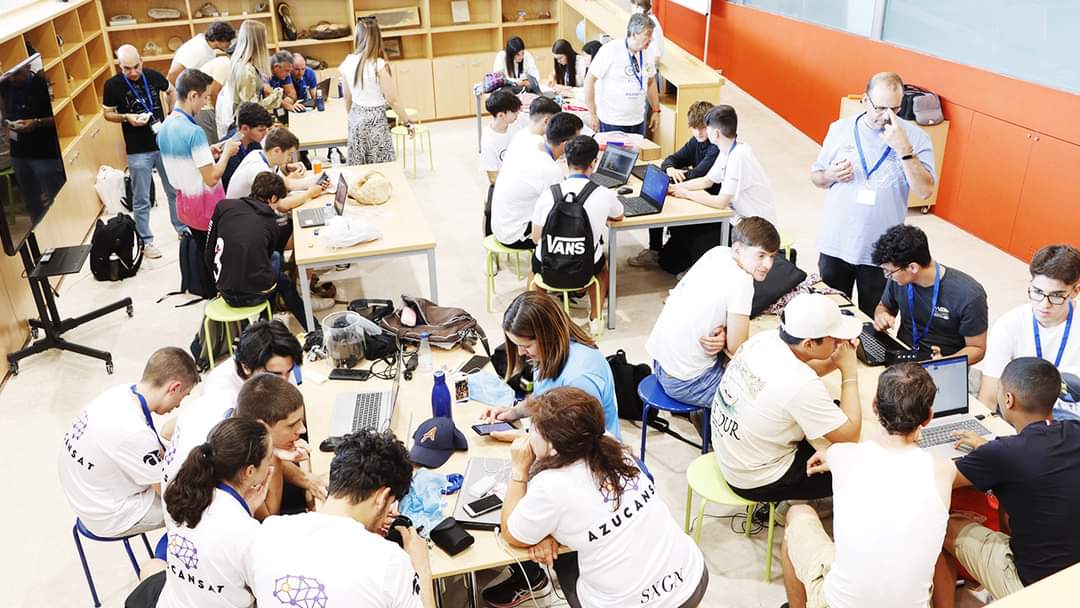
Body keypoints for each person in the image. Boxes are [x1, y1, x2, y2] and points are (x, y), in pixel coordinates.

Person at [500, 387, 708, 608]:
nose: (528, 433)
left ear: (553, 446)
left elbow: (512, 534)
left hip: (632, 603)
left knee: (565, 558)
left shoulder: (550, 485)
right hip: (691, 578)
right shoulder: (608, 444)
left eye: (532, 428)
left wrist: (519, 470)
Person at [781, 363, 955, 608]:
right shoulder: (944, 470)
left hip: (840, 603)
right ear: (928, 417)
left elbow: (837, 454)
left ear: (874, 407)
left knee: (797, 513)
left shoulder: (844, 456)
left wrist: (829, 457)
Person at [936, 357, 1080, 605]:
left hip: (1033, 588)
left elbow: (944, 477)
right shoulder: (1075, 431)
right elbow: (1032, 456)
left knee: (941, 524)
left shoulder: (1003, 454)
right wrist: (988, 450)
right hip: (1071, 576)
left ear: (1008, 399)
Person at [249, 431, 436, 608]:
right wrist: (422, 570)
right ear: (382, 498)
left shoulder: (268, 532)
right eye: (391, 505)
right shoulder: (389, 561)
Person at [712, 293, 862, 502]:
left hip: (732, 455)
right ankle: (793, 508)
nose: (840, 343)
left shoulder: (764, 339)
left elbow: (803, 372)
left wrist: (836, 360)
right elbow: (850, 435)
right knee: (858, 461)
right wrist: (849, 372)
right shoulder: (800, 383)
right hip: (756, 479)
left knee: (831, 416)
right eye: (835, 339)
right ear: (809, 344)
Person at [811, 71, 936, 317]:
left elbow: (925, 191)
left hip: (883, 254)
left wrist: (904, 150)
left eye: (895, 109)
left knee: (875, 319)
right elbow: (816, 177)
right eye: (880, 108)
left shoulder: (916, 138)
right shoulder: (840, 130)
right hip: (836, 243)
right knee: (829, 315)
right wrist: (830, 176)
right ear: (865, 101)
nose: (887, 117)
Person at [125, 418, 273, 608]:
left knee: (151, 566)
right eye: (269, 459)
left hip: (173, 603)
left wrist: (246, 509)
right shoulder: (248, 533)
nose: (270, 465)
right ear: (250, 471)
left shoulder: (186, 495)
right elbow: (265, 593)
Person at [57, 348, 198, 538]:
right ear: (174, 388)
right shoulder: (134, 433)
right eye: (185, 395)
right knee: (197, 509)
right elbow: (169, 494)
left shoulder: (120, 393)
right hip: (108, 514)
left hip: (85, 495)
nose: (179, 405)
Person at [646, 217, 780, 410]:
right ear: (737, 249)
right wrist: (728, 340)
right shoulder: (742, 282)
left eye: (772, 256)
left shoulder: (717, 253)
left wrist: (724, 334)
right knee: (765, 399)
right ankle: (711, 426)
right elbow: (737, 350)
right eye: (761, 255)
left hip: (659, 363)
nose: (767, 264)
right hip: (686, 382)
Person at [482, 291, 620, 438]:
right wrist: (514, 412)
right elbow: (544, 398)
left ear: (547, 336)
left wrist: (526, 437)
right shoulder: (550, 353)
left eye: (527, 346)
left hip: (589, 454)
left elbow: (583, 441)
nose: (521, 352)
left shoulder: (580, 379)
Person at [978, 244, 1080, 421]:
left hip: (1069, 424)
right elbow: (989, 398)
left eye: (1056, 295)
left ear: (1075, 291)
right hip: (1020, 421)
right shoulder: (1008, 326)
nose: (1044, 304)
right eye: (1038, 292)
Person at [531, 135, 624, 327]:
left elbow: (535, 237)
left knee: (535, 265)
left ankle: (537, 318)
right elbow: (619, 215)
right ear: (594, 163)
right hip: (585, 269)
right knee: (602, 268)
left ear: (565, 160)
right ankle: (595, 318)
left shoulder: (549, 193)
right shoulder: (603, 194)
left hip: (549, 269)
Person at [102, 45, 181, 259]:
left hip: (162, 142)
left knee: (174, 190)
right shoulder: (112, 85)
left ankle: (181, 229)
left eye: (136, 66)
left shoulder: (152, 76)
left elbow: (171, 90)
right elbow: (107, 114)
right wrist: (126, 117)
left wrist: (173, 113)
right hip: (137, 150)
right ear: (120, 66)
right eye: (127, 68)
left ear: (142, 61)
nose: (134, 72)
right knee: (141, 198)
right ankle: (146, 242)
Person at [872, 224, 988, 363]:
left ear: (912, 267)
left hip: (944, 364)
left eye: (889, 271)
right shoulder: (899, 280)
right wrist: (881, 316)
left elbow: (977, 348)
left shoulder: (969, 295)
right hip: (902, 357)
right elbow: (883, 306)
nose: (887, 276)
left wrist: (943, 363)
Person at [209, 172, 311, 329]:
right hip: (253, 295)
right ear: (273, 199)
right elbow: (264, 262)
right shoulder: (270, 224)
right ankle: (312, 328)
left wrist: (218, 284)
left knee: (277, 273)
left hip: (224, 289)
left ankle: (264, 323)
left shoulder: (223, 206)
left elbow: (209, 250)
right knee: (279, 268)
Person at [157, 69, 240, 256]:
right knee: (215, 259)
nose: (205, 104)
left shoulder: (166, 126)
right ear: (193, 95)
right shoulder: (194, 132)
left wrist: (207, 153)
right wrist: (227, 153)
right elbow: (211, 178)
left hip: (186, 206)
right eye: (205, 98)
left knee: (202, 253)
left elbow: (185, 162)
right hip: (206, 209)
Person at [628, 100, 720, 270]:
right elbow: (671, 159)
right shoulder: (695, 142)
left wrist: (680, 172)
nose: (699, 133)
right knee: (655, 198)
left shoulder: (716, 147)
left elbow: (699, 174)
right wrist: (670, 169)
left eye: (703, 128)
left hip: (708, 201)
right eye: (694, 128)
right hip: (690, 191)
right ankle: (655, 250)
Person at [670, 105, 778, 224]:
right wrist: (674, 188)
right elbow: (707, 181)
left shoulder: (738, 157)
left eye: (707, 128)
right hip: (740, 217)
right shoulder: (727, 149)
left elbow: (720, 202)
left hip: (757, 227)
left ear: (716, 133)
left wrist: (686, 194)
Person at [492, 112, 582, 250]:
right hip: (516, 235)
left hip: (501, 223)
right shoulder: (551, 171)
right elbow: (562, 208)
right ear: (566, 144)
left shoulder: (530, 140)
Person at [341, 17, 414, 165]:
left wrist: (352, 120)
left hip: (355, 118)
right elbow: (392, 100)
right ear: (377, 38)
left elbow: (347, 98)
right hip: (376, 122)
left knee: (359, 171)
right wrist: (407, 122)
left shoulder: (347, 62)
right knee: (382, 169)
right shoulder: (378, 65)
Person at [583, 13, 660, 135]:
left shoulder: (648, 52)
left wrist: (656, 110)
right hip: (612, 121)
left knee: (635, 154)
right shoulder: (610, 50)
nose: (651, 39)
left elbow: (651, 82)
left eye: (652, 35)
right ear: (634, 34)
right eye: (647, 35)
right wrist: (592, 113)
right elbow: (589, 80)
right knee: (614, 154)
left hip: (637, 121)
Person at [202, 319, 303, 401]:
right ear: (246, 367)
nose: (285, 382)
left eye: (289, 371)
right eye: (275, 375)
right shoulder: (221, 391)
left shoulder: (281, 367)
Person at [215, 20, 281, 141]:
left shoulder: (241, 65)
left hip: (240, 125)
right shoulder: (246, 70)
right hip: (243, 130)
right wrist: (275, 96)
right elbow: (250, 108)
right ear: (258, 42)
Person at [219, 101, 272, 191]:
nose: (265, 133)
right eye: (261, 130)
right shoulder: (230, 150)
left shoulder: (253, 141)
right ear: (245, 128)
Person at [166, 21, 235, 85]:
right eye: (228, 41)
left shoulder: (207, 45)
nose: (229, 44)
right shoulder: (198, 49)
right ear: (218, 39)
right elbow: (173, 73)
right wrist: (176, 96)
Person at [480, 90, 524, 184]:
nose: (518, 113)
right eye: (514, 112)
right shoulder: (489, 140)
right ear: (501, 115)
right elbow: (493, 178)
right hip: (507, 185)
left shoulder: (517, 122)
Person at [196, 51, 233, 146]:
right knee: (215, 148)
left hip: (207, 107)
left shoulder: (226, 63)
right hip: (206, 109)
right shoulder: (226, 64)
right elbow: (214, 92)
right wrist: (220, 116)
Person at [268, 50, 303, 120]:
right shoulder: (265, 74)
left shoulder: (286, 73)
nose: (289, 74)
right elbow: (268, 96)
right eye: (287, 71)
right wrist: (288, 106)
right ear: (276, 67)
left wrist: (282, 104)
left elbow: (292, 94)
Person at [630, 0, 664, 65]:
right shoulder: (647, 18)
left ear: (636, 5)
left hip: (650, 63)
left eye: (631, 4)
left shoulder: (646, 24)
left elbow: (656, 56)